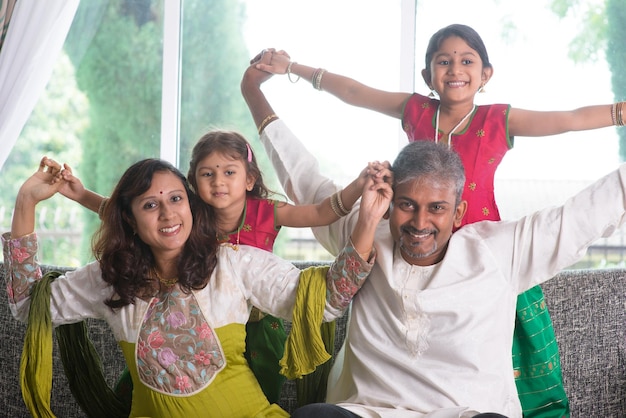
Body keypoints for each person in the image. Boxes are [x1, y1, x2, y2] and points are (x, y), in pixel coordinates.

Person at [252, 27, 625, 415]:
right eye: (407, 205)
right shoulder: (368, 233)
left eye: (437, 208)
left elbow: (586, 195)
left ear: (458, 211)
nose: (419, 222)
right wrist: (262, 90)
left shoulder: (501, 248)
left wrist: (619, 113)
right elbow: (311, 173)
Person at [4, 156, 390, 417]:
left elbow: (325, 300)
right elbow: (27, 304)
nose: (169, 212)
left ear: (191, 206)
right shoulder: (110, 279)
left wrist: (368, 221)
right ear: (129, 218)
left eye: (176, 199)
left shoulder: (232, 264)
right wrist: (26, 202)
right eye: (150, 205)